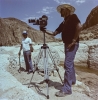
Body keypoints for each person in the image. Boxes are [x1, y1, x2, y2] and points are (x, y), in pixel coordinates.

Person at [46, 4, 82, 97]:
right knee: (70, 63)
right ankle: (72, 81)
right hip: (67, 44)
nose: (60, 12)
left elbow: (79, 26)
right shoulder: (64, 22)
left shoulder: (73, 17)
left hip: (72, 44)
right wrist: (44, 30)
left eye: (62, 10)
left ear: (67, 10)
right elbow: (54, 33)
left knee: (67, 64)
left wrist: (73, 41)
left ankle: (67, 90)